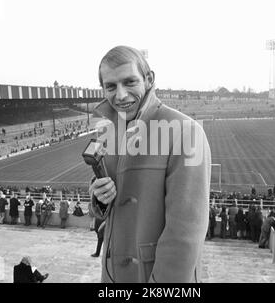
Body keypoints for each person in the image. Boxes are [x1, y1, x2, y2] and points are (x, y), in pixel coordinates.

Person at [88, 46, 211, 283]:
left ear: (149, 79)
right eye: (111, 86)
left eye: (129, 82)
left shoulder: (185, 131)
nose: (121, 95)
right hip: (113, 277)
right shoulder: (108, 133)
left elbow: (184, 234)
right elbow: (102, 211)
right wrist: (98, 198)